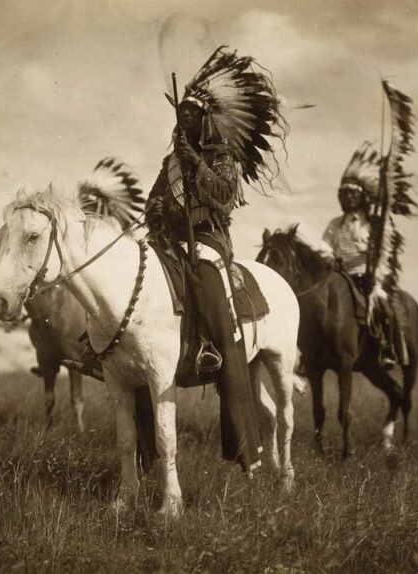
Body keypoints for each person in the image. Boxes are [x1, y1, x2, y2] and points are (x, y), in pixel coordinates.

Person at [146, 46, 287, 473]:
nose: (184, 120)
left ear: (205, 118)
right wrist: (156, 214)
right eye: (181, 114)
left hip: (208, 240)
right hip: (170, 240)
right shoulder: (171, 161)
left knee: (207, 284)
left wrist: (197, 165)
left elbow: (224, 198)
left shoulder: (220, 157)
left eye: (191, 114)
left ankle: (216, 351)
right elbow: (154, 199)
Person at [321, 142, 400, 367]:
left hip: (367, 277)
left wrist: (373, 263)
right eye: (343, 193)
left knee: (382, 306)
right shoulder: (335, 224)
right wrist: (330, 258)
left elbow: (385, 252)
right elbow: (325, 246)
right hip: (339, 276)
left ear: (361, 196)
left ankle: (387, 348)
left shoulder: (374, 224)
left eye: (351, 193)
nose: (347, 197)